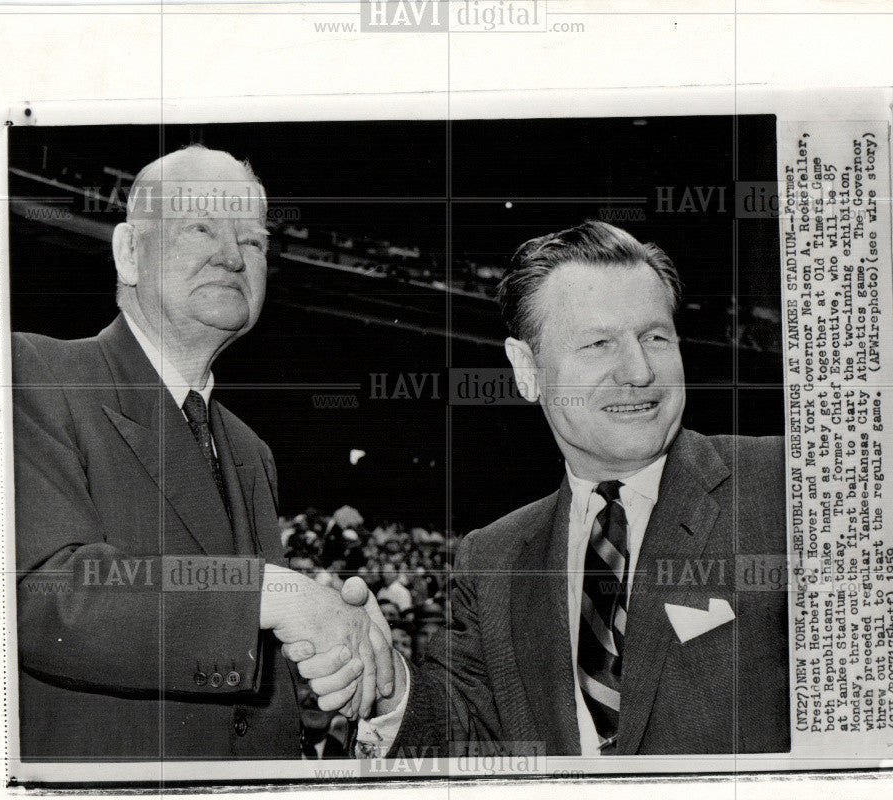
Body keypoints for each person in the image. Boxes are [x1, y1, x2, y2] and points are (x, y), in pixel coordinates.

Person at [293, 220, 789, 757]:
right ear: (527, 369)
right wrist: (389, 688)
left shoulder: (784, 485)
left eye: (655, 337)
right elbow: (465, 742)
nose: (640, 371)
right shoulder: (494, 560)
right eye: (599, 343)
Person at [13, 145, 392, 761]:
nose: (231, 255)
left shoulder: (250, 450)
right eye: (200, 227)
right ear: (129, 252)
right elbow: (49, 593)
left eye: (253, 242)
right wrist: (277, 596)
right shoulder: (32, 371)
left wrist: (341, 659)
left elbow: (230, 669)